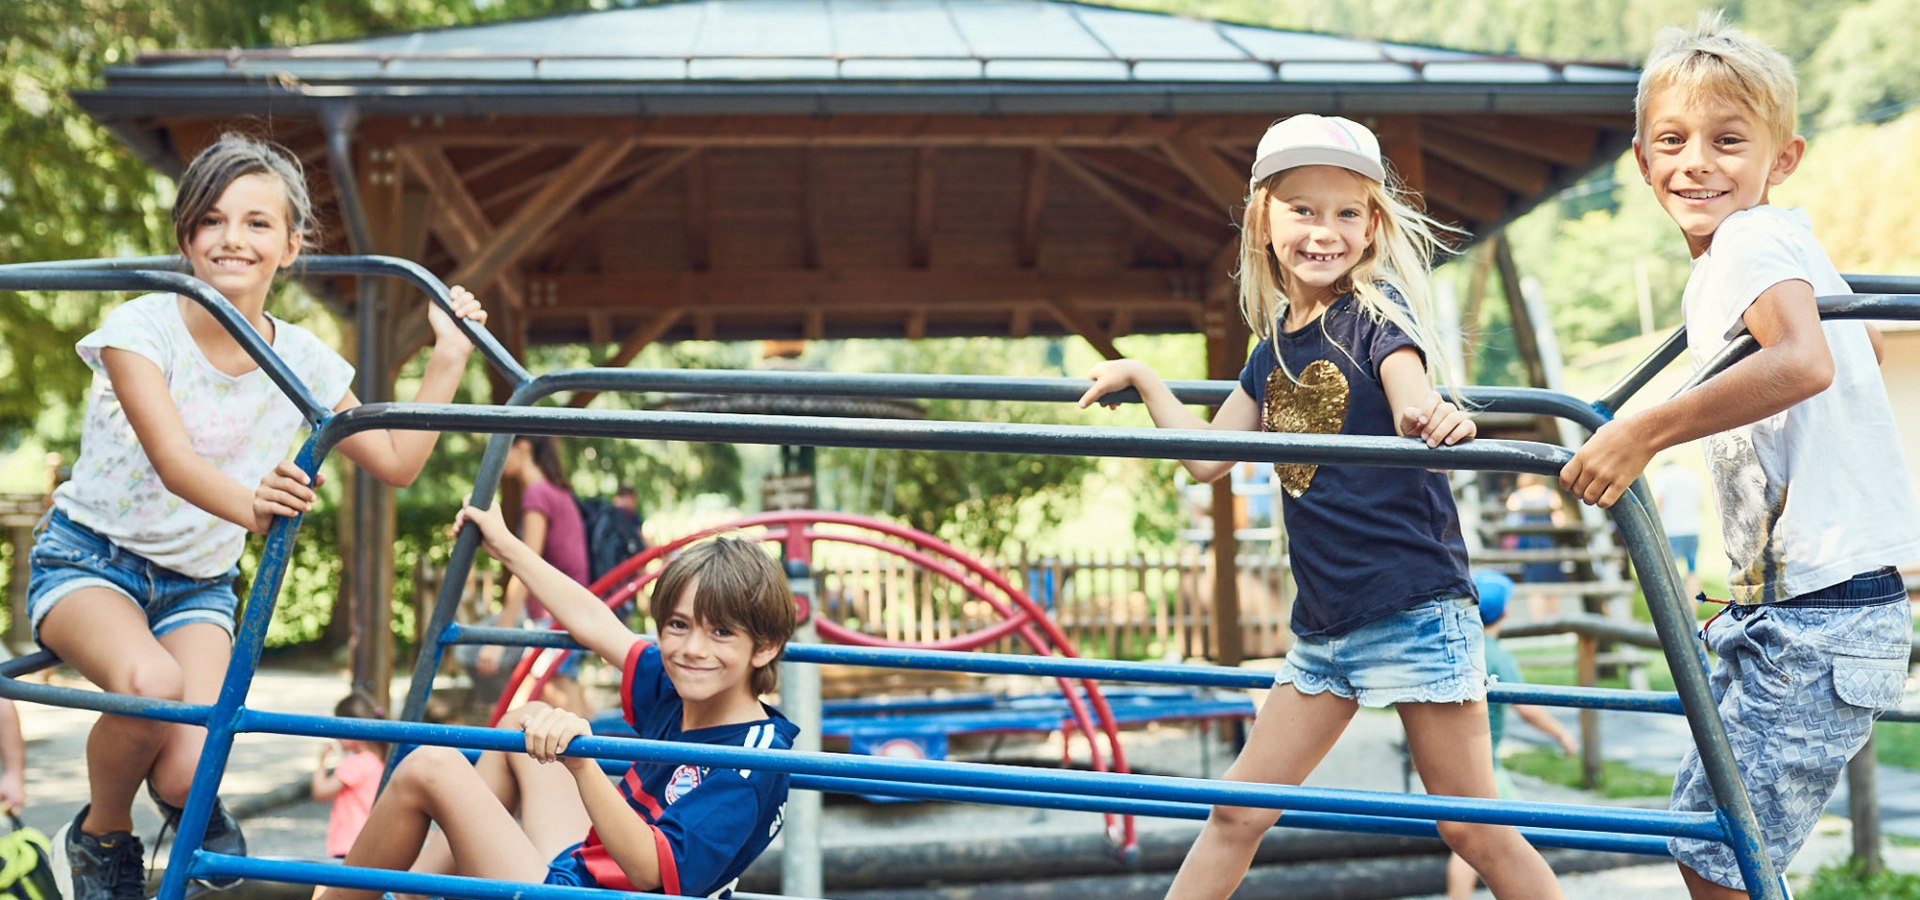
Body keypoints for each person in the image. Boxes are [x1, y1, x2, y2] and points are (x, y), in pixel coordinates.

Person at [1080, 113, 1562, 899]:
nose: (1323, 231)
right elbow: (1208, 461)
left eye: (1346, 213)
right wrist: (1142, 376)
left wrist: (1435, 416)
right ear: (1264, 220)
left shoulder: (1378, 317)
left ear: (1372, 227)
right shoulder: (1272, 347)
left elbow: (1414, 397)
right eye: (1303, 209)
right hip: (1326, 629)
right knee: (1237, 811)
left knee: (1471, 826)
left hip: (1412, 607)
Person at [24, 132, 488, 900]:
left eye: (257, 223)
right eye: (211, 220)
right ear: (186, 237)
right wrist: (255, 509)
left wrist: (447, 359)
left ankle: (181, 801)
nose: (232, 238)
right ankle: (104, 836)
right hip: (90, 561)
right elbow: (175, 462)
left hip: (195, 586)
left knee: (185, 767)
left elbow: (398, 462)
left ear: (291, 246)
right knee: (149, 685)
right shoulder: (141, 331)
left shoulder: (302, 359)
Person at [1558, 15, 1920, 898]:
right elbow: (1861, 354)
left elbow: (1804, 360)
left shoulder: (1751, 241)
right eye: (1673, 142)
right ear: (1643, 161)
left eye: (1729, 142)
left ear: (1780, 158)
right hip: (1800, 604)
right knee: (1712, 843)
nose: (1697, 164)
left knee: (1725, 861)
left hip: (1825, 613)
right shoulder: (1771, 244)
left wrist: (1645, 428)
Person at [318, 518, 798, 900]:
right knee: (522, 721)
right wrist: (506, 545)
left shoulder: (752, 762)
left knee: (430, 765)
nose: (693, 648)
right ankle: (415, 895)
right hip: (585, 873)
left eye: (721, 633)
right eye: (678, 624)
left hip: (613, 891)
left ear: (765, 647)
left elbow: (650, 870)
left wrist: (583, 765)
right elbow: (593, 619)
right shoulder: (680, 685)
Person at [1447, 570, 1579, 900]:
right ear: (1504, 613)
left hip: (1459, 757)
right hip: (1484, 762)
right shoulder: (1497, 656)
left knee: (1478, 831)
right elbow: (1527, 706)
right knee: (1487, 833)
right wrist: (1561, 733)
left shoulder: (1460, 646)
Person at [474, 436, 591, 716]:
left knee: (544, 702)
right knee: (563, 693)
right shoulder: (556, 492)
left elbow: (525, 567)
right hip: (570, 611)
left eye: (503, 449)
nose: (497, 459)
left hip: (554, 616)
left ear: (523, 446)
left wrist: (497, 640)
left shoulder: (537, 495)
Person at [311, 692, 388, 860]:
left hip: (347, 845)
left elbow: (320, 792)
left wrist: (321, 761)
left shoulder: (355, 764)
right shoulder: (378, 762)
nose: (336, 735)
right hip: (365, 844)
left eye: (340, 727)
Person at [1504, 473, 1568, 620]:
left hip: (1528, 545)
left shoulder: (1516, 497)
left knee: (1533, 585)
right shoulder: (1550, 495)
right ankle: (1554, 620)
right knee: (1552, 583)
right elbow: (1559, 523)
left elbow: (1511, 524)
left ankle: (1538, 622)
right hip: (1549, 543)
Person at [1649, 457, 1705, 598]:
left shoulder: (1663, 476)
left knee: (1669, 572)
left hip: (1672, 531)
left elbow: (1659, 505)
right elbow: (1700, 505)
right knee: (1692, 572)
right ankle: (1692, 609)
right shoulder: (1691, 476)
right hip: (1693, 530)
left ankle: (1675, 610)